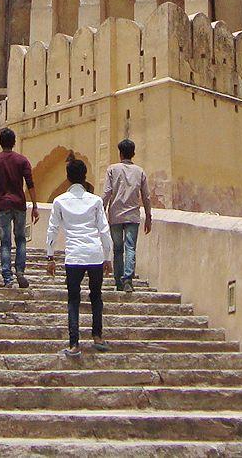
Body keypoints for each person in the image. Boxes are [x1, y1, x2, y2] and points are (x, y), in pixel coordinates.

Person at [46, 157, 112, 358]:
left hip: (73, 255)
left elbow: (52, 230)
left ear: (67, 178)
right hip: (94, 253)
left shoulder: (59, 201)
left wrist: (50, 257)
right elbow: (104, 229)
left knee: (73, 299)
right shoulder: (95, 201)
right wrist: (107, 257)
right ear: (85, 177)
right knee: (96, 296)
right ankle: (98, 336)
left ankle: (74, 344)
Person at [0, 127, 37, 289]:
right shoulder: (22, 160)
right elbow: (30, 184)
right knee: (21, 239)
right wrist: (35, 206)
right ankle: (20, 271)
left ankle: (7, 278)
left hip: (3, 205)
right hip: (19, 205)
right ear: (14, 142)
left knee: (5, 243)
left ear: (0, 143)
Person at [101, 138, 152, 292]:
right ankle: (128, 279)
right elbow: (146, 196)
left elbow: (107, 193)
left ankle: (118, 280)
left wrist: (100, 212)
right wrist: (148, 216)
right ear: (133, 154)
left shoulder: (112, 169)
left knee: (117, 249)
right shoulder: (140, 171)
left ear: (120, 153)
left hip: (115, 216)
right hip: (132, 216)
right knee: (130, 247)